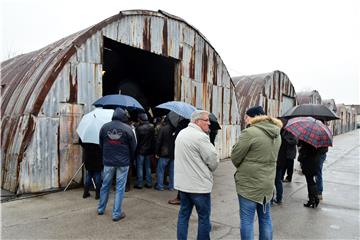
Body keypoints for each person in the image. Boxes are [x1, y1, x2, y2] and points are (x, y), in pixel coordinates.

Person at [231, 105, 282, 240]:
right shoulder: (277, 133)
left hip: (249, 185)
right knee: (265, 218)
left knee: (247, 220)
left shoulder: (250, 132)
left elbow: (235, 157)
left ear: (254, 117)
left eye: (246, 117)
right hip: (267, 185)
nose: (245, 120)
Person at [174, 110, 219, 240]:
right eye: (206, 120)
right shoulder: (201, 137)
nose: (209, 123)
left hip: (183, 185)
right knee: (204, 218)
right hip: (199, 187)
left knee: (183, 215)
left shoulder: (181, 133)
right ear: (197, 121)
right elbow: (213, 162)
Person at [97, 107, 137, 221]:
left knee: (105, 185)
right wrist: (130, 160)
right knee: (120, 187)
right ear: (123, 116)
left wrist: (106, 156)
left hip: (108, 162)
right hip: (123, 162)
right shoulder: (128, 129)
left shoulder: (104, 127)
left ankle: (100, 209)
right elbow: (133, 147)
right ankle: (116, 214)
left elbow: (101, 144)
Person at [273, 120, 298, 204]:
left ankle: (275, 198)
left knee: (275, 181)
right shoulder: (282, 135)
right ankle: (278, 198)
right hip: (281, 159)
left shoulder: (281, 136)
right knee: (278, 180)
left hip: (280, 159)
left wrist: (287, 141)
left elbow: (295, 141)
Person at [297, 140, 328, 208]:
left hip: (308, 162)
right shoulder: (318, 141)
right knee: (310, 181)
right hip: (314, 161)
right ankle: (312, 199)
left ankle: (314, 199)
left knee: (310, 181)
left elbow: (303, 149)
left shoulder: (308, 140)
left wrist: (301, 148)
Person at [134, 113, 155, 189]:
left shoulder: (138, 128)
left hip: (140, 151)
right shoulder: (152, 127)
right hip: (148, 151)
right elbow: (153, 140)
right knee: (148, 167)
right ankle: (149, 183)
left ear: (140, 119)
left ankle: (140, 184)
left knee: (140, 167)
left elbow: (136, 141)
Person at [154, 117, 176, 191]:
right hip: (173, 153)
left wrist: (156, 152)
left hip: (164, 153)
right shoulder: (175, 129)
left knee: (160, 170)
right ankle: (171, 186)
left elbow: (158, 141)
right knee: (172, 171)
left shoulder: (163, 129)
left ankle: (160, 186)